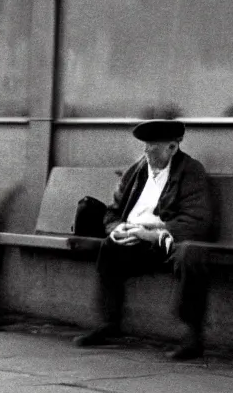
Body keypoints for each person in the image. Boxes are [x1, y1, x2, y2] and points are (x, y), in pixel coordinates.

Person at [74, 119, 215, 360]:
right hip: (134, 238)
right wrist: (116, 229)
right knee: (109, 247)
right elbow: (112, 210)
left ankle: (193, 338)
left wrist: (149, 234)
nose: (147, 151)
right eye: (146, 145)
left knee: (190, 254)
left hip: (164, 241)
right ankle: (110, 324)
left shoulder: (190, 171)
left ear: (172, 147)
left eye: (154, 146)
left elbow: (196, 222)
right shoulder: (138, 170)